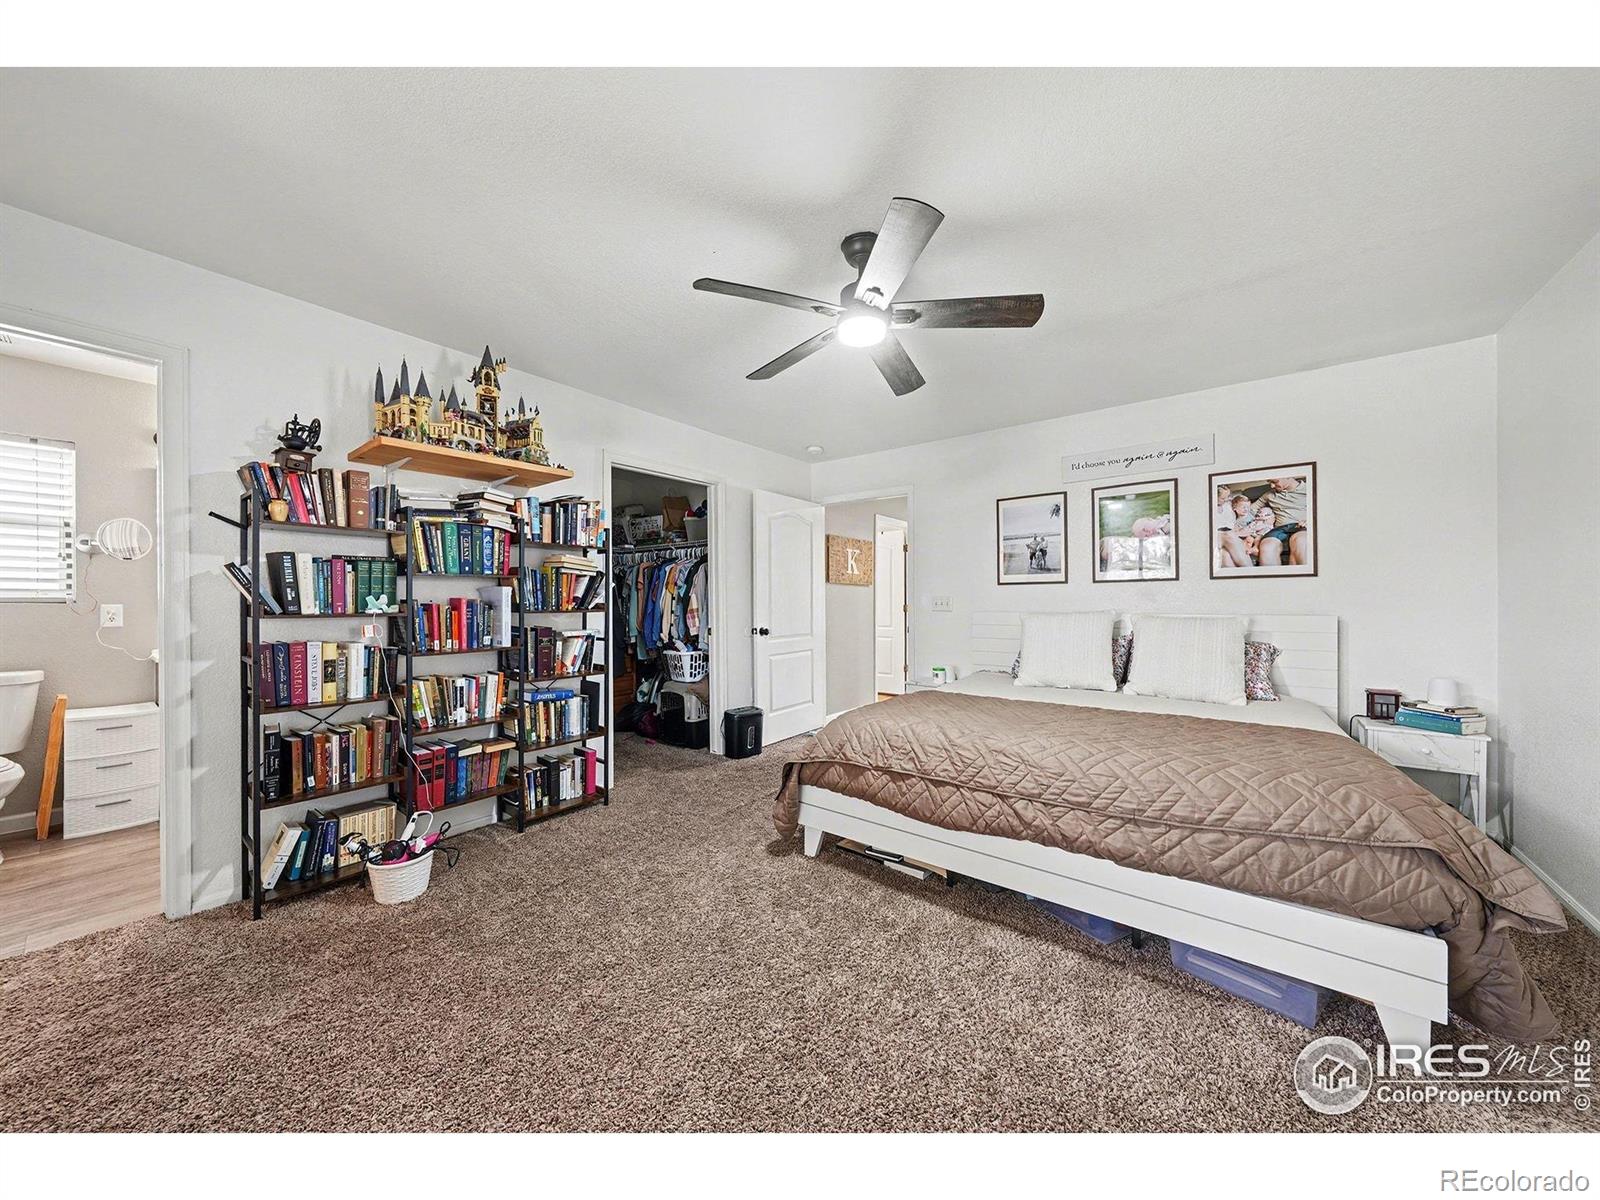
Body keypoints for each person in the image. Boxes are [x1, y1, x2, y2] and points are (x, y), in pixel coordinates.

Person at [1255, 476, 1311, 567]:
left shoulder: (1309, 489)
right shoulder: (1269, 495)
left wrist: (1311, 519)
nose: (1272, 486)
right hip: (1279, 528)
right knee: (1266, 547)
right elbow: (1250, 510)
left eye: (1274, 482)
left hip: (1300, 526)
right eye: (1270, 482)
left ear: (1288, 476)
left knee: (1300, 542)